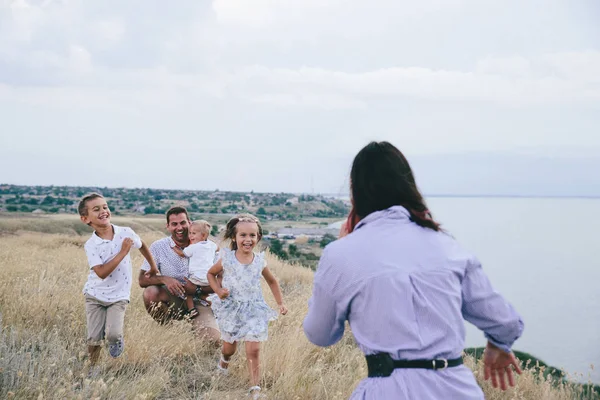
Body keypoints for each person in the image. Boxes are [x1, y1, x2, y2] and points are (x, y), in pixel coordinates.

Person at [303, 141, 524, 399]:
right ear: (408, 186)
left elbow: (320, 333)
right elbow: (506, 323)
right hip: (458, 390)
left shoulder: (342, 254)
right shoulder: (447, 246)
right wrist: (498, 345)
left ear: (355, 192)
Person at [207, 214, 288, 400]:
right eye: (243, 235)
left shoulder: (259, 261)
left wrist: (280, 303)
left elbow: (273, 282)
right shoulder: (227, 259)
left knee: (254, 349)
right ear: (234, 237)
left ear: (258, 238)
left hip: (254, 309)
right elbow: (210, 274)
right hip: (232, 308)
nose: (248, 239)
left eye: (252, 235)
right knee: (230, 348)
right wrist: (218, 291)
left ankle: (255, 388)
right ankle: (224, 362)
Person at [78, 192, 159, 367]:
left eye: (105, 207)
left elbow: (142, 244)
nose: (103, 211)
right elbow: (101, 272)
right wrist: (123, 252)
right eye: (96, 209)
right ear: (85, 219)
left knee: (113, 334)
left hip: (119, 295)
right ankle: (93, 368)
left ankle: (116, 341)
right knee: (94, 337)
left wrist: (152, 266)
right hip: (94, 295)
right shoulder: (91, 244)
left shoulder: (125, 232)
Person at [138, 206, 220, 340]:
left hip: (201, 301)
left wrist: (196, 289)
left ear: (189, 222)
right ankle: (170, 332)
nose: (179, 228)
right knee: (150, 293)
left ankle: (198, 325)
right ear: (168, 226)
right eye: (174, 224)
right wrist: (165, 279)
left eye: (183, 223)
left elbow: (220, 282)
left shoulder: (208, 247)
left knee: (212, 341)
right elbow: (142, 280)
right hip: (174, 299)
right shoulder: (158, 247)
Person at [172, 220, 219, 318]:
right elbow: (217, 248)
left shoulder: (193, 247)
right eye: (190, 233)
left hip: (196, 278)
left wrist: (174, 248)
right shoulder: (211, 245)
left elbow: (182, 254)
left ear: (203, 236)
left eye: (194, 233)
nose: (190, 236)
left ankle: (191, 310)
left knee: (188, 292)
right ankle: (208, 300)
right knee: (203, 292)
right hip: (209, 278)